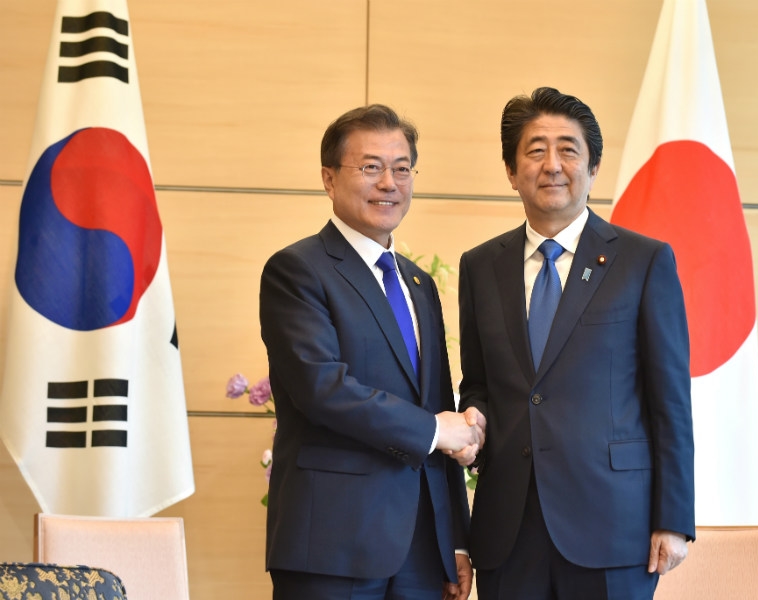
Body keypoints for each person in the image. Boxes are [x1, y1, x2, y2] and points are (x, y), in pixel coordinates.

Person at [458, 87, 695, 600]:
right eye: (536, 149)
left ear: (593, 166)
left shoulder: (642, 262)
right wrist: (473, 414)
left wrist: (673, 519)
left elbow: (669, 401)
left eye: (569, 149)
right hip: (508, 530)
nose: (553, 164)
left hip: (614, 525)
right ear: (510, 168)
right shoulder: (479, 267)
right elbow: (477, 382)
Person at [260, 104, 481, 600]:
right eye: (371, 167)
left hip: (423, 552)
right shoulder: (296, 271)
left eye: (402, 168)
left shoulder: (418, 283)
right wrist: (435, 430)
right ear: (329, 178)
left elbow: (438, 406)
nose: (390, 182)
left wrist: (457, 543)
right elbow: (322, 389)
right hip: (332, 547)